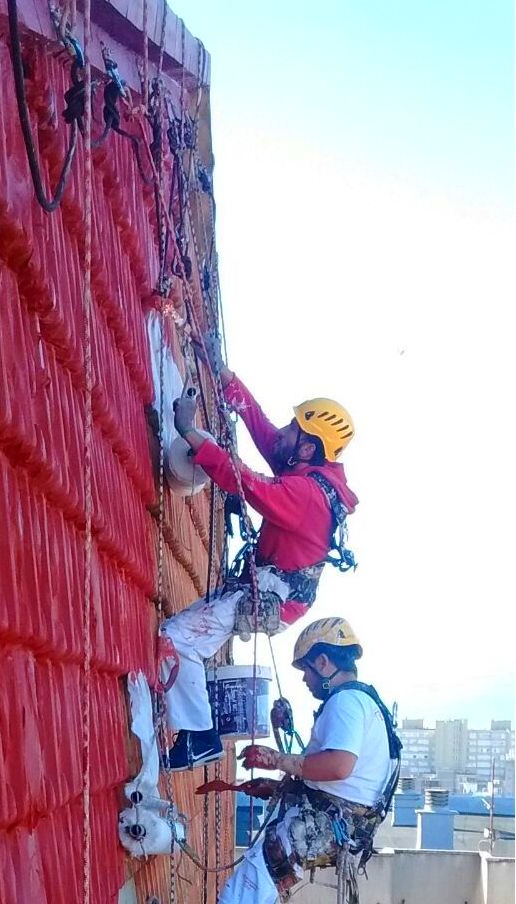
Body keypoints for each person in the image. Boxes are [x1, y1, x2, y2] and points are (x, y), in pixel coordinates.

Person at [161, 334, 359, 770]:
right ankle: (196, 727)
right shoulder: (308, 469)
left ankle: (199, 737)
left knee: (176, 640)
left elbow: (249, 485)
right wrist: (226, 378)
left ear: (307, 447)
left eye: (294, 430)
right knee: (185, 639)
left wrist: (192, 435)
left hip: (273, 592)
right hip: (274, 586)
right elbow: (267, 435)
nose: (284, 432)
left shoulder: (308, 495)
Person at [218, 617, 401, 904]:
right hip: (345, 824)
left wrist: (276, 759)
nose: (305, 679)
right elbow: (337, 777)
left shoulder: (346, 702)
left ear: (323, 662)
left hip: (328, 823)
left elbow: (338, 766)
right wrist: (277, 787)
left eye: (306, 669)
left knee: (242, 891)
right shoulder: (366, 702)